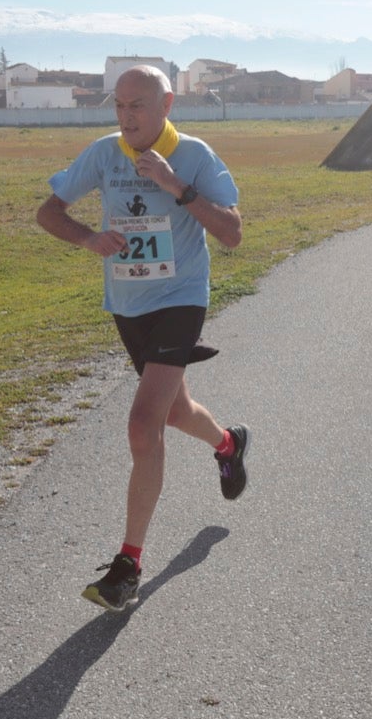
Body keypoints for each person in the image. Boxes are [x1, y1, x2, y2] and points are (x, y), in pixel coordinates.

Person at [36, 65, 249, 612]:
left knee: (142, 423)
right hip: (129, 305)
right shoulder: (105, 154)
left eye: (138, 105)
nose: (127, 117)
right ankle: (228, 444)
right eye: (120, 105)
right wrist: (88, 238)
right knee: (175, 412)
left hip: (181, 298)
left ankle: (127, 565)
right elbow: (48, 213)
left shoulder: (194, 155)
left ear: (167, 105)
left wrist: (176, 187)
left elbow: (232, 233)